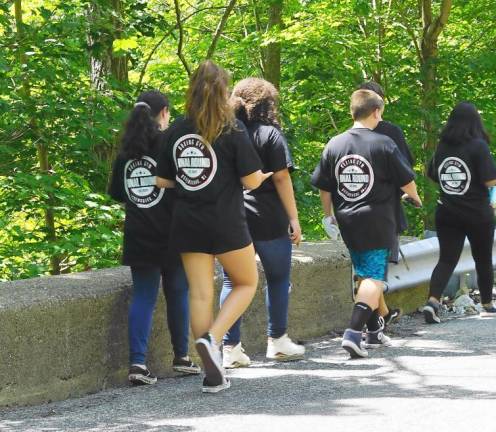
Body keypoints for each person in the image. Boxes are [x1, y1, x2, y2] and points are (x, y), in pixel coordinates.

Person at [156, 61, 272, 393]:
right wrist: (262, 175)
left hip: (187, 222)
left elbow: (163, 180)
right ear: (224, 92)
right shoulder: (232, 130)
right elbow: (250, 180)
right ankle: (212, 339)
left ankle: (212, 371)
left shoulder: (176, 130)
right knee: (246, 282)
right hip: (226, 221)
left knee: (201, 293)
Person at [311, 89, 422, 358]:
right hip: (378, 219)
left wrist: (329, 215)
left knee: (363, 271)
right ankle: (353, 332)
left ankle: (373, 330)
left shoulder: (334, 144)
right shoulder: (383, 143)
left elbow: (324, 186)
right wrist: (415, 198)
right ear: (376, 112)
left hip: (347, 218)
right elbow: (406, 180)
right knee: (374, 278)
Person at [108, 90, 201, 385]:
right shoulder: (167, 144)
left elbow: (117, 194)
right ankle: (182, 357)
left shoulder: (126, 152)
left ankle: (137, 364)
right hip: (172, 232)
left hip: (138, 234)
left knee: (144, 296)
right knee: (178, 292)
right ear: (163, 113)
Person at [219, 77, 305, 368]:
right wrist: (293, 217)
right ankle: (277, 340)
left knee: (232, 281)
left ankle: (230, 348)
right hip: (269, 216)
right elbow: (281, 177)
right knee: (278, 277)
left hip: (234, 216)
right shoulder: (270, 135)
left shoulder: (226, 132)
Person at [421, 102, 496, 324]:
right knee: (483, 259)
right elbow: (491, 180)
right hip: (477, 213)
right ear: (476, 121)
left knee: (447, 260)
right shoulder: (478, 146)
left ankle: (432, 302)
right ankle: (487, 305)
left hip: (447, 211)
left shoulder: (442, 146)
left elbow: (432, 173)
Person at [357, 81, 415, 325]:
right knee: (376, 270)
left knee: (364, 268)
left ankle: (381, 314)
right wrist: (412, 195)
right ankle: (365, 322)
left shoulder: (345, 137)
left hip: (352, 210)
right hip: (385, 210)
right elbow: (405, 169)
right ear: (379, 106)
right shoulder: (391, 133)